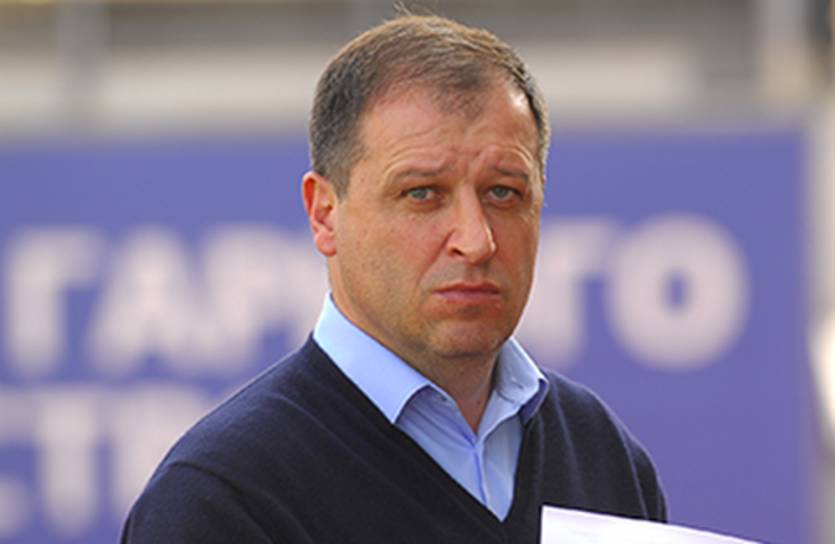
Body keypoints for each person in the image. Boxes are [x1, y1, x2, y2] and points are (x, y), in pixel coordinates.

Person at [122, 14, 666, 543]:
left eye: (504, 192)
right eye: (422, 193)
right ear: (324, 214)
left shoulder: (602, 454)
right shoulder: (223, 497)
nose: (476, 239)